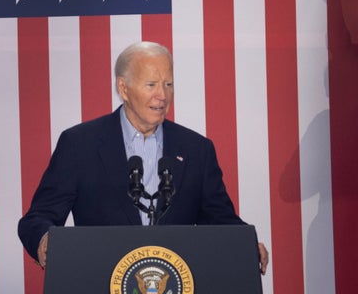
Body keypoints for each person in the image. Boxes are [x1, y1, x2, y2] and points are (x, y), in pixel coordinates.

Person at [17, 41, 270, 274]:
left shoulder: (196, 149)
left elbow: (219, 218)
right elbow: (38, 217)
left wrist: (244, 243)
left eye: (168, 84)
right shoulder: (80, 145)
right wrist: (44, 240)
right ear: (123, 88)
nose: (162, 95)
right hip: (100, 278)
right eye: (151, 85)